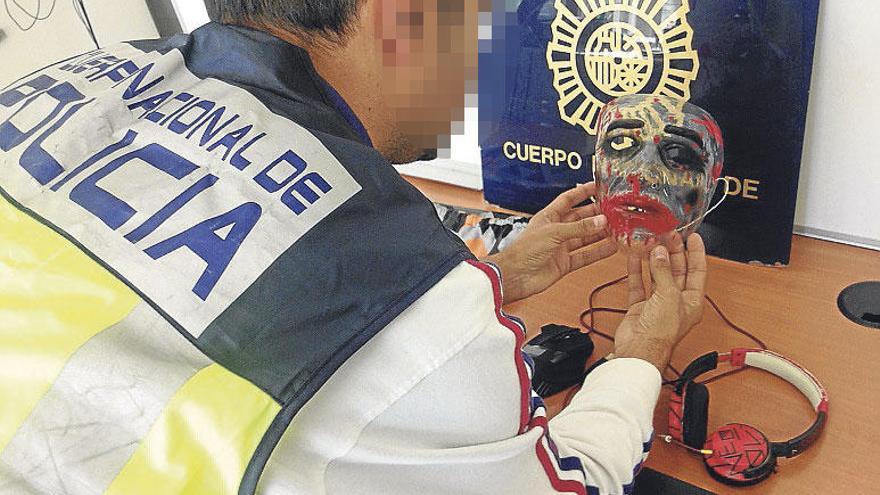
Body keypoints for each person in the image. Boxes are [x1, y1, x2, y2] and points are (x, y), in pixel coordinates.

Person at [0, 1, 707, 494]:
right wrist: (641, 353)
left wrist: (490, 274)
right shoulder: (431, 333)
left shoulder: (69, 80)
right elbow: (568, 483)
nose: (482, 62)